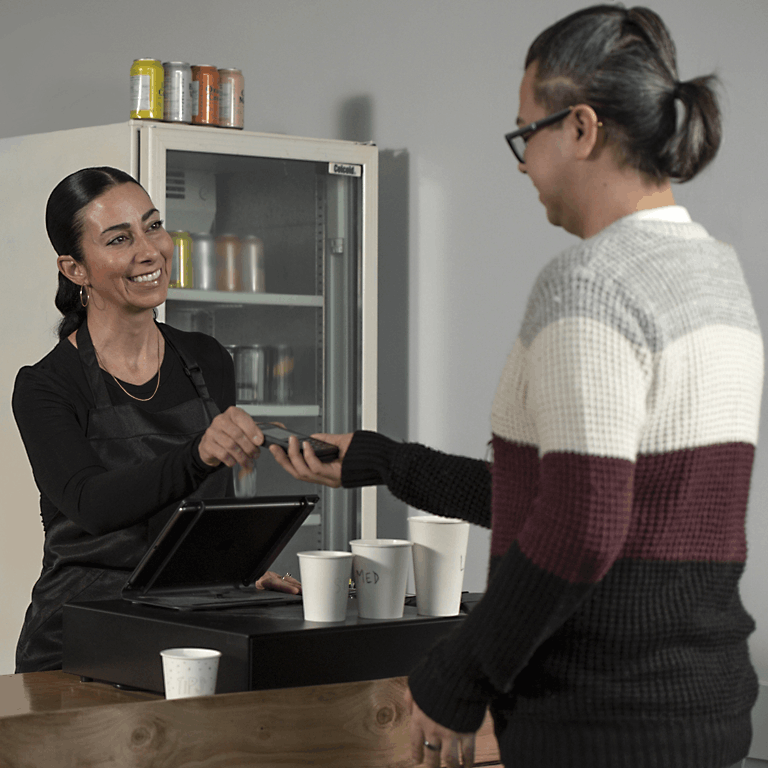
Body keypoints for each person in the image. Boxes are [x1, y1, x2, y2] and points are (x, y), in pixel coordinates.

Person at [271, 5, 763, 768]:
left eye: (524, 133)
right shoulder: (718, 275)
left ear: (582, 129)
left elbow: (581, 526)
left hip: (599, 726)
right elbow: (583, 500)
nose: (525, 162)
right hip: (704, 710)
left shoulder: (592, 283)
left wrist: (457, 675)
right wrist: (385, 462)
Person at [12, 167, 299, 673]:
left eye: (153, 226)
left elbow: (209, 516)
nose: (149, 251)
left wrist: (240, 572)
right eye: (120, 239)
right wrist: (198, 454)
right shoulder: (45, 386)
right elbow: (92, 503)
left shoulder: (208, 361)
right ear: (75, 269)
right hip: (78, 641)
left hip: (189, 632)